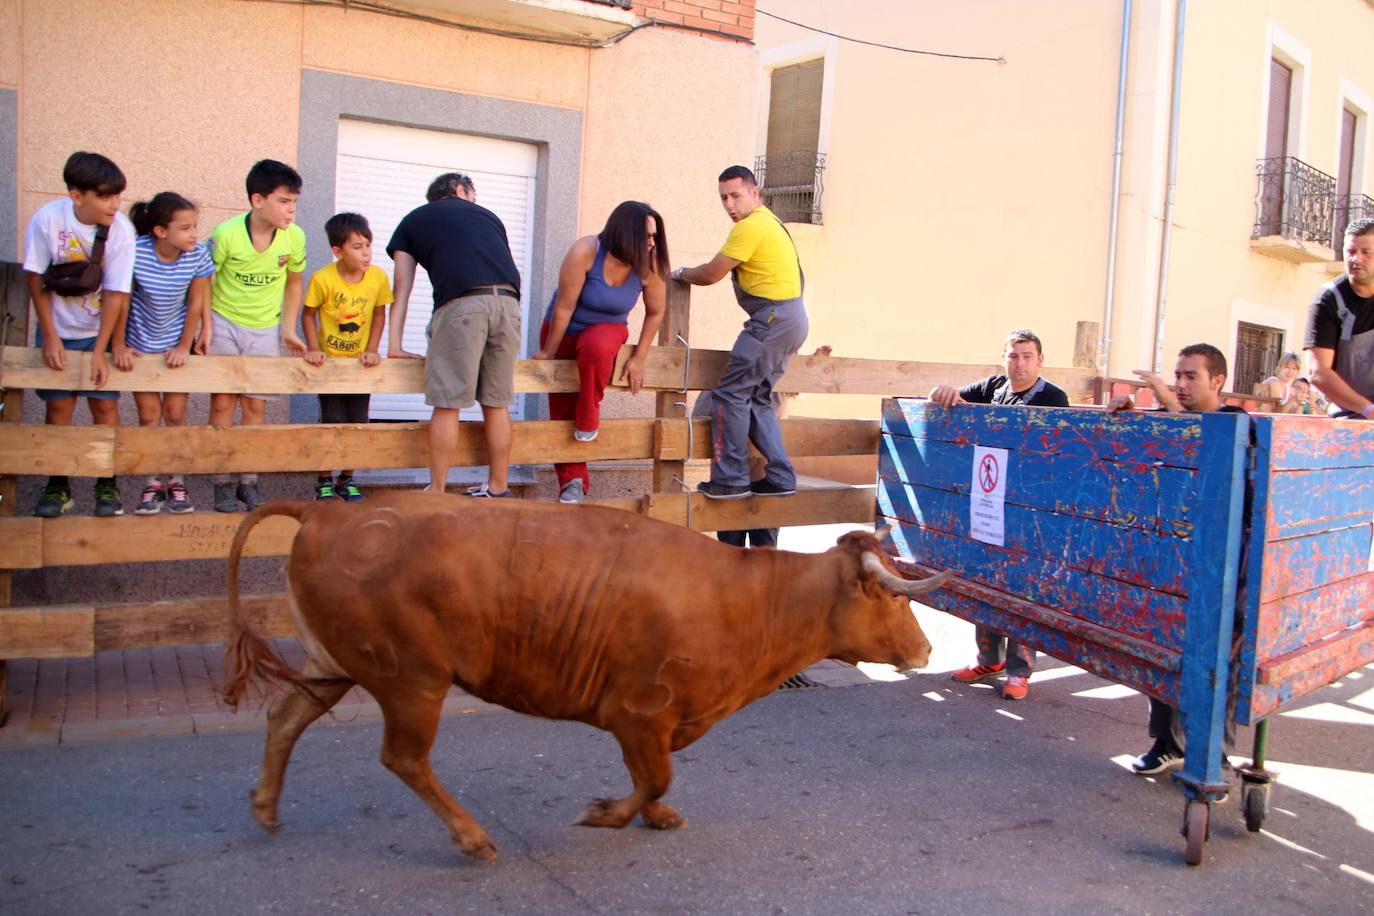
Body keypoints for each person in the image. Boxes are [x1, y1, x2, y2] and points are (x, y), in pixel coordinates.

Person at [1106, 343, 1244, 775]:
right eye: (1177, 376)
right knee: (1163, 647)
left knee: (1221, 658)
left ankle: (1214, 752)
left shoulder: (1236, 421)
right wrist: (1125, 414)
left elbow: (1210, 449)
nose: (1180, 385)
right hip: (1172, 561)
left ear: (1217, 381)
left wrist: (1166, 405)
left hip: (1222, 568)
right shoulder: (1165, 420)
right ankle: (1166, 742)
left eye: (1191, 377)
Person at [929, 328, 1070, 701]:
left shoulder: (1053, 397)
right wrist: (940, 393)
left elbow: (1058, 456)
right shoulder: (994, 387)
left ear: (1040, 360)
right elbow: (949, 396)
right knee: (985, 579)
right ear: (1004, 358)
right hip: (989, 500)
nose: (1019, 363)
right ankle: (988, 659)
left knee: (1021, 588)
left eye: (1027, 356)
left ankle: (1019, 671)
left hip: (1028, 507)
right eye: (1013, 356)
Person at [673, 165, 808, 500]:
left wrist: (678, 273)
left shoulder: (751, 226)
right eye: (723, 198)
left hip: (772, 319)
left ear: (754, 193)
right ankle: (780, 477)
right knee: (757, 398)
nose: (729, 204)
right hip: (793, 318)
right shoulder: (772, 224)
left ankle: (730, 480)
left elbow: (710, 274)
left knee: (730, 395)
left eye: (735, 195)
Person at [387, 172, 522, 498]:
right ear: (461, 191)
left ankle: (436, 489)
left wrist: (395, 344)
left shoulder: (413, 221)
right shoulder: (489, 217)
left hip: (463, 307)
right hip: (509, 305)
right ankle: (499, 486)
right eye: (472, 194)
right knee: (497, 403)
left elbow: (402, 287)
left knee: (448, 405)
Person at [23, 151, 136, 518]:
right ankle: (59, 484)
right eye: (105, 196)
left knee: (104, 406)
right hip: (57, 327)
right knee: (58, 409)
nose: (114, 205)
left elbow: (119, 293)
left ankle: (107, 481)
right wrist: (50, 336)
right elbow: (35, 277)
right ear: (77, 195)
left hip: (97, 330)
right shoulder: (47, 219)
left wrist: (104, 349)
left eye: (118, 196)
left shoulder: (121, 230)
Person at [532, 201, 668, 504]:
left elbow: (656, 313)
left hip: (606, 331)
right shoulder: (587, 251)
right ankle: (573, 482)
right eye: (646, 236)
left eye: (654, 236)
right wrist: (548, 352)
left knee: (596, 346)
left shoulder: (650, 265)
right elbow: (564, 308)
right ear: (624, 232)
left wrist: (639, 358)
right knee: (561, 408)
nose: (651, 242)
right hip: (563, 329)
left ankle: (589, 414)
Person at [97, 191, 215, 515]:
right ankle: (152, 483)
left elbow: (196, 304)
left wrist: (184, 346)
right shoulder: (136, 252)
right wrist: (119, 345)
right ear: (161, 231)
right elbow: (122, 298)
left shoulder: (198, 254)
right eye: (186, 228)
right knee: (149, 416)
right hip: (139, 344)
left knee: (176, 414)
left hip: (175, 345)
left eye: (195, 226)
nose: (194, 234)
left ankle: (176, 481)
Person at [206, 159, 307, 512]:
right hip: (224, 321)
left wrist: (288, 329)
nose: (290, 210)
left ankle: (248, 481)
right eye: (283, 201)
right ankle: (220, 481)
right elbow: (204, 282)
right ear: (257, 200)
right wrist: (205, 327)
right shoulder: (226, 234)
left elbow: (294, 283)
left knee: (254, 406)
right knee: (221, 402)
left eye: (294, 201)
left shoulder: (294, 237)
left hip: (265, 327)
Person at [699, 344, 833, 546]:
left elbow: (796, 380)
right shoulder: (732, 376)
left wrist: (812, 362)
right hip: (736, 479)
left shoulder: (779, 378)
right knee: (733, 546)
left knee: (762, 546)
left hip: (762, 478)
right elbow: (700, 418)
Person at [301, 212, 392, 502]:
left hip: (360, 366)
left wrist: (373, 349)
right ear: (337, 251)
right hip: (330, 364)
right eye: (357, 247)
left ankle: (347, 478)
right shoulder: (322, 279)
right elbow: (308, 314)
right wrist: (313, 348)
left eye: (368, 245)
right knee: (332, 421)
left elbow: (379, 313)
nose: (365, 253)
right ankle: (324, 479)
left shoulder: (377, 276)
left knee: (358, 423)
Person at [1305, 217, 1374, 419]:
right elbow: (1317, 371)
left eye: (1366, 253)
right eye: (1350, 252)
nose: (1356, 259)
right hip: (1351, 420)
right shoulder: (1328, 300)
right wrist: (1368, 410)